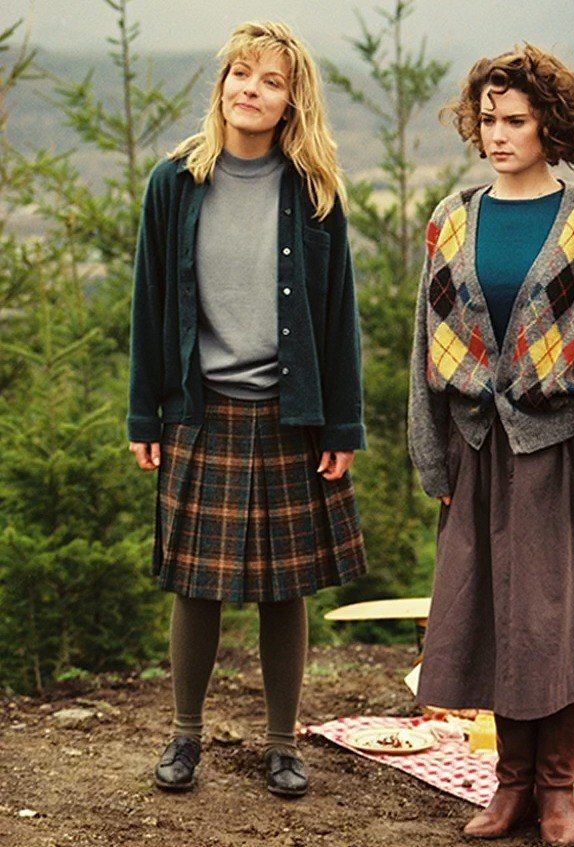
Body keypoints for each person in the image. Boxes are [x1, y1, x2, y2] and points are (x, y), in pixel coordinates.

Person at [408, 42, 574, 847]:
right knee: (491, 619)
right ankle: (509, 786)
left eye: (514, 120)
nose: (497, 134)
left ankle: (557, 789)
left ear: (549, 126)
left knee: (555, 626)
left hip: (561, 450)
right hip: (478, 450)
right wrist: (431, 451)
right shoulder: (451, 217)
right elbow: (422, 343)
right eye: (487, 119)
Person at [127, 20, 367, 798]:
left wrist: (341, 424)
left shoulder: (315, 193)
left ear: (292, 99)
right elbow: (149, 304)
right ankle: (184, 736)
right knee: (194, 583)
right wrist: (145, 416)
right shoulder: (174, 182)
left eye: (269, 80)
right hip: (202, 411)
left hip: (288, 413)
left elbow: (340, 319)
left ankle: (281, 743)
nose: (249, 90)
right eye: (239, 73)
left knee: (283, 587)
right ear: (222, 84)